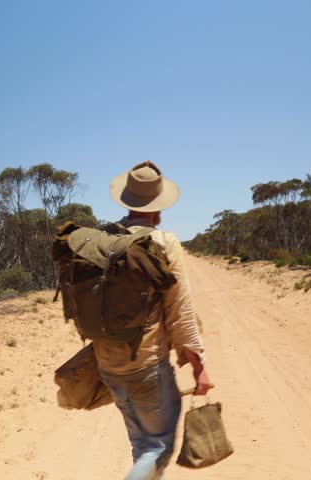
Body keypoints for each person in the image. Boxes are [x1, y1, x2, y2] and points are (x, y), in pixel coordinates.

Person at [94, 161, 213, 480]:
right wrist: (199, 367)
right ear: (158, 207)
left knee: (141, 445)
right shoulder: (164, 243)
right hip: (146, 365)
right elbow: (180, 311)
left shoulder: (103, 240)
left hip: (107, 362)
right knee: (157, 448)